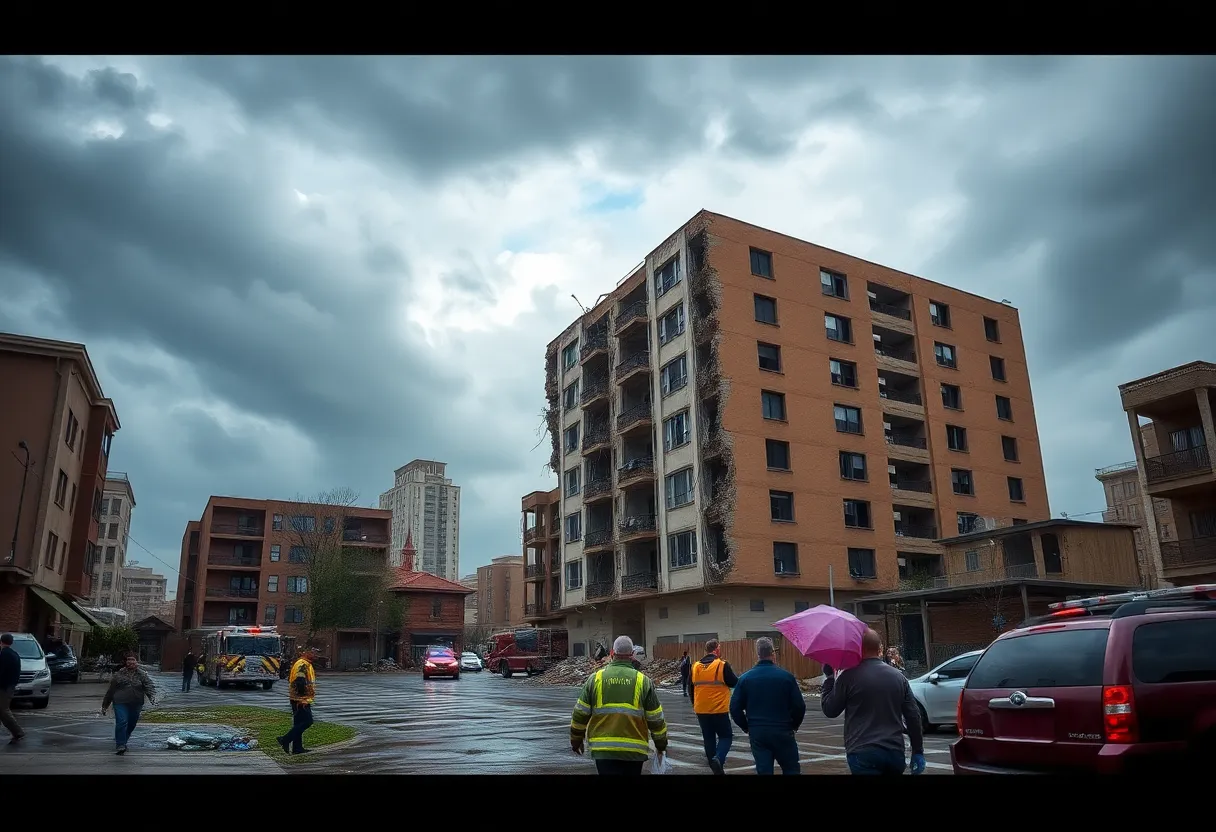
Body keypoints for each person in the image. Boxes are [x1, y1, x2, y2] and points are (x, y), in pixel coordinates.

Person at [821, 628, 925, 775]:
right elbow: (913, 716)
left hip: (862, 752)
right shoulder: (899, 677)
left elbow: (830, 709)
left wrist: (829, 678)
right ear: (879, 649)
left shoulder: (848, 677)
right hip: (894, 752)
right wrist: (917, 751)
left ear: (857, 649)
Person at [570, 635, 668, 775]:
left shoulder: (595, 679)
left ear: (612, 653)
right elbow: (656, 719)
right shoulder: (643, 681)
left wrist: (576, 740)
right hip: (634, 752)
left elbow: (580, 714)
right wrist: (661, 744)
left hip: (603, 752)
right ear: (632, 655)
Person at [729, 637, 805, 775]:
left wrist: (746, 727)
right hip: (783, 730)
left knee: (764, 770)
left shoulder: (745, 679)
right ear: (773, 653)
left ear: (757, 654)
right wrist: (794, 725)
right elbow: (799, 706)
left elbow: (734, 708)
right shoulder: (786, 677)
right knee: (791, 769)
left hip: (758, 731)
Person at [690, 638, 738, 775]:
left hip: (701, 710)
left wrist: (696, 704)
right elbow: (734, 683)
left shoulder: (695, 666)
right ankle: (718, 759)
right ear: (716, 649)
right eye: (720, 647)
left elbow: (690, 688)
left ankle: (714, 767)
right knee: (726, 736)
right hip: (719, 709)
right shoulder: (722, 665)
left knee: (708, 738)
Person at [101, 652, 157, 755]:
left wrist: (152, 697)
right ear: (125, 662)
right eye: (128, 659)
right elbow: (111, 691)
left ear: (137, 661)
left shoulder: (142, 674)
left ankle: (124, 740)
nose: (130, 662)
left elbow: (149, 686)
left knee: (131, 723)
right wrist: (105, 705)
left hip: (136, 703)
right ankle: (120, 744)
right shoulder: (119, 675)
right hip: (120, 702)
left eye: (133, 659)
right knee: (122, 721)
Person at [277, 647, 318, 755]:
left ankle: (297, 748)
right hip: (300, 700)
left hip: (297, 698)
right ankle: (285, 739)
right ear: (306, 652)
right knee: (307, 722)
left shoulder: (304, 663)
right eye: (313, 652)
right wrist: (303, 699)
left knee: (298, 723)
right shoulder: (303, 664)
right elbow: (299, 681)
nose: (316, 655)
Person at [0, 634, 26, 745]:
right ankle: (17, 732)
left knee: (3, 710)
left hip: (4, 687)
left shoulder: (4, 654)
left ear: (1, 641)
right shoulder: (15, 654)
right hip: (10, 686)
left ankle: (18, 732)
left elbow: (1, 672)